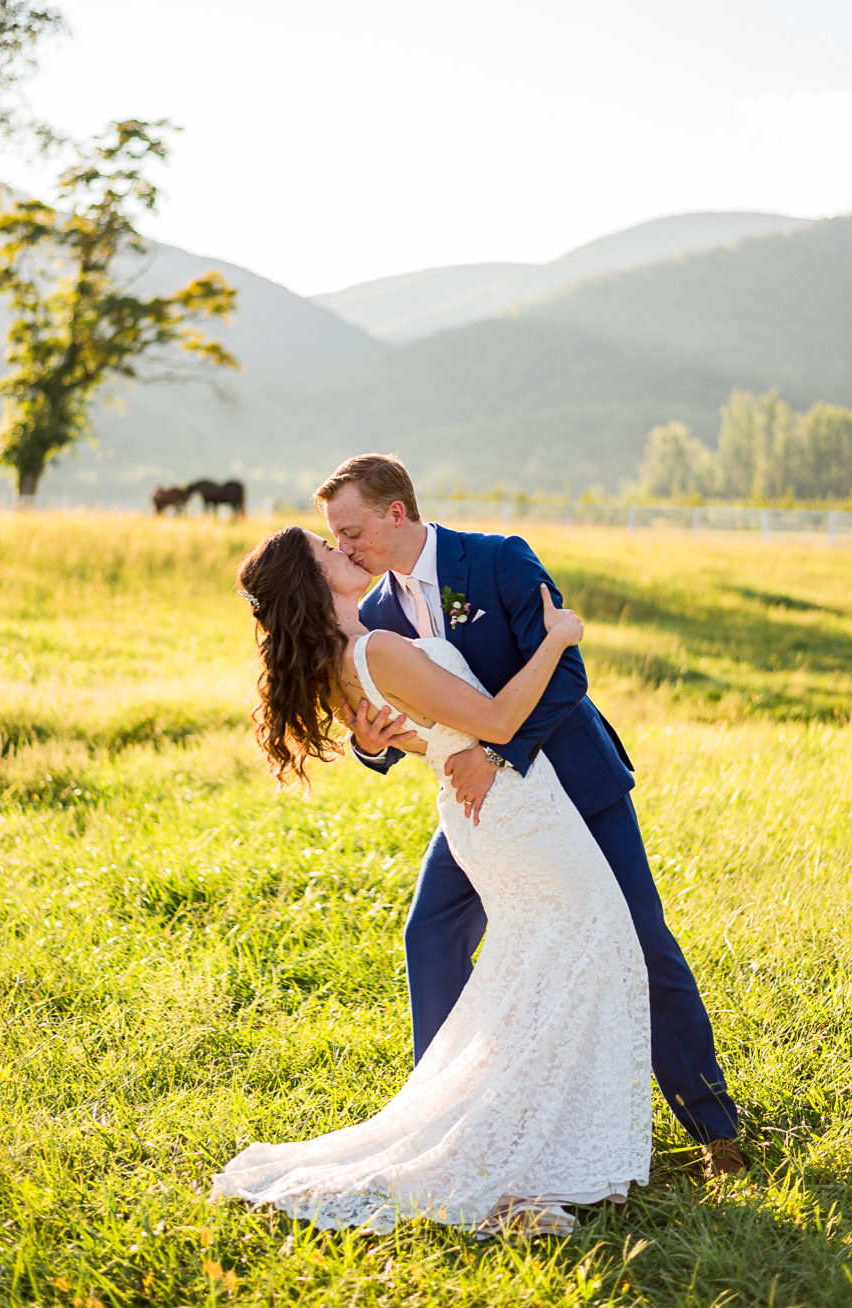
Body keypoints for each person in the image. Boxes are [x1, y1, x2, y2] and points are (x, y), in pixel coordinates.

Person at [211, 523, 651, 1237]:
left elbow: (434, 734)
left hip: (489, 811)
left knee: (540, 974)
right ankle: (507, 1160)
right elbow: (499, 717)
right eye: (327, 551)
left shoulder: (348, 657)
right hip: (516, 816)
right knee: (583, 955)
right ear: (311, 582)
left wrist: (421, 741)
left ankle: (517, 1144)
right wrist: (560, 637)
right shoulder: (376, 648)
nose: (342, 551)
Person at [315, 453, 743, 1179]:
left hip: (570, 780)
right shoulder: (378, 614)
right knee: (432, 930)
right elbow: (400, 729)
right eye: (335, 537)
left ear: (395, 513)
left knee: (642, 939)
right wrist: (369, 747)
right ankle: (450, 1119)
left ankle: (715, 1129)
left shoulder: (497, 559)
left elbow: (568, 675)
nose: (345, 547)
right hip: (485, 811)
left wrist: (494, 751)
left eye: (351, 530)